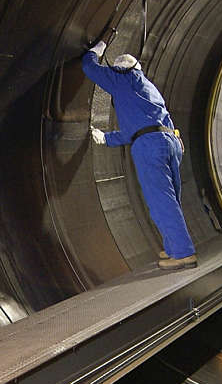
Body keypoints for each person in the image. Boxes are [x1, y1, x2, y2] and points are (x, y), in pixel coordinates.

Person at [82, 40, 197, 269]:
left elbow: (89, 67)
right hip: (171, 141)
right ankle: (175, 246)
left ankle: (183, 253)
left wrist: (96, 51)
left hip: (150, 146)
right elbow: (139, 126)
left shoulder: (121, 79)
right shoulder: (148, 87)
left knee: (160, 201)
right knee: (169, 198)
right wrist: (106, 138)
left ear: (121, 69)